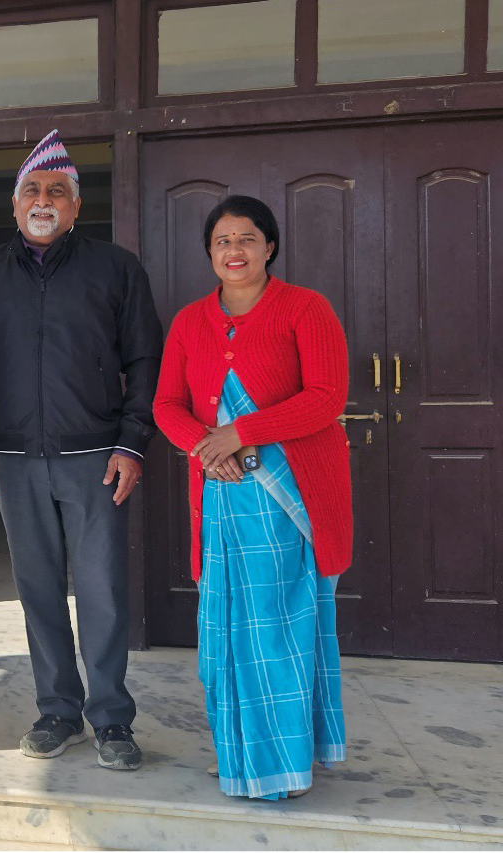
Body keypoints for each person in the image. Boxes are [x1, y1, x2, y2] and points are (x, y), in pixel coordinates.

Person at [0, 130, 162, 770]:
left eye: (56, 191)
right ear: (14, 205)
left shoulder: (116, 267)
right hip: (14, 459)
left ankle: (111, 719)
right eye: (31, 190)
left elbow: (145, 359)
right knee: (38, 588)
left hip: (96, 455)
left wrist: (133, 443)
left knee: (101, 590)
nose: (43, 200)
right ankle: (57, 710)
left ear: (76, 206)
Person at [152, 195, 350, 800]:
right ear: (209, 253)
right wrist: (208, 448)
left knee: (277, 625)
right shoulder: (190, 322)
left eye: (246, 239)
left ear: (270, 247)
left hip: (289, 497)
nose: (233, 251)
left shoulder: (306, 310)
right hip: (220, 498)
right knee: (222, 627)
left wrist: (240, 433)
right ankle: (239, 747)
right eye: (221, 242)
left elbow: (326, 397)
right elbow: (166, 405)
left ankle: (281, 763)